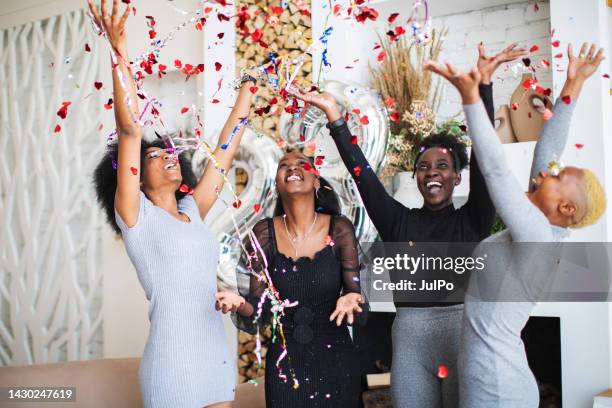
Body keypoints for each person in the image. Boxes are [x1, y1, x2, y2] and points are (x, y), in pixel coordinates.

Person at [289, 43, 527, 407]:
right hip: (410, 344)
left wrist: (484, 87)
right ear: (416, 176)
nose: (432, 173)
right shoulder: (399, 223)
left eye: (442, 166)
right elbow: (363, 176)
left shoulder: (474, 218)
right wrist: (336, 118)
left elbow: (487, 161)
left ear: (457, 178)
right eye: (424, 167)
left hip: (463, 340)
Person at [89, 0, 256, 406]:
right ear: (135, 180)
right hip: (172, 361)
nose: (167, 156)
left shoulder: (192, 210)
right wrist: (118, 50)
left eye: (169, 153)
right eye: (153, 156)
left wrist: (246, 98)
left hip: (216, 351)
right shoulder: (135, 216)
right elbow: (130, 129)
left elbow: (223, 154)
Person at [424, 42, 606, 407]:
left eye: (556, 176)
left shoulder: (537, 235)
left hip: (495, 387)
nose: (547, 171)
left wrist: (471, 97)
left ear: (566, 206)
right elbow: (548, 151)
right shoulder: (543, 228)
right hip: (494, 378)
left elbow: (494, 169)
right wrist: (573, 84)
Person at [216, 150, 363, 407]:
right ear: (277, 183)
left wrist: (352, 297)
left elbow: (355, 293)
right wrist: (240, 303)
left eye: (302, 164)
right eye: (284, 165)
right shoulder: (262, 234)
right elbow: (257, 309)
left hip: (337, 361)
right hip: (285, 367)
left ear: (317, 181)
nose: (292, 168)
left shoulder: (340, 229)